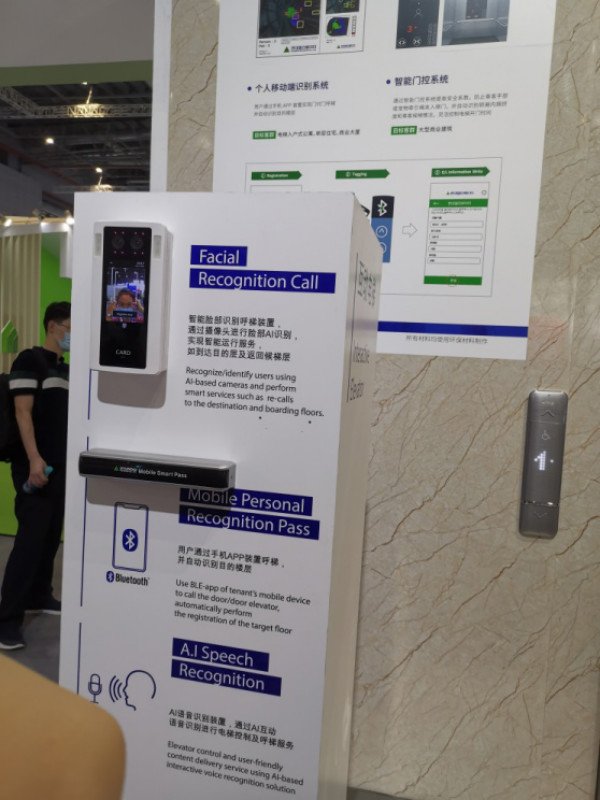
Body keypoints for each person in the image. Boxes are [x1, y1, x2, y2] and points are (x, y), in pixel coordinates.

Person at [0, 301, 71, 650]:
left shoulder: (66, 369)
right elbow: (22, 412)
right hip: (34, 465)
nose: (73, 334)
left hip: (60, 466)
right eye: (70, 327)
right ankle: (6, 621)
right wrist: (33, 460)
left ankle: (39, 595)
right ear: (53, 326)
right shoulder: (29, 360)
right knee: (29, 541)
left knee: (50, 536)